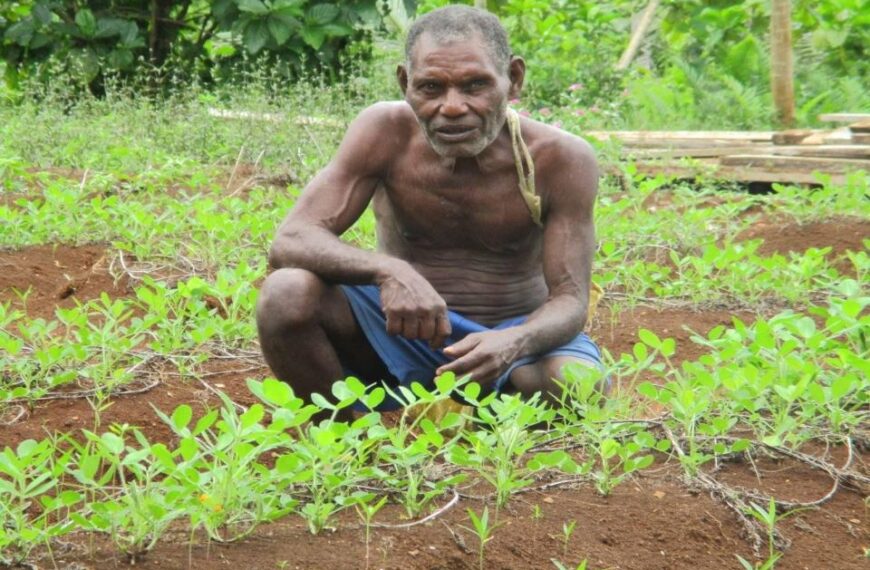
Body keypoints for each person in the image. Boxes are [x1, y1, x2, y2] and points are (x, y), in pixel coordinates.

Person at [256, 5, 603, 414]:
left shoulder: (560, 158)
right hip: (397, 332)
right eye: (431, 88)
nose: (452, 107)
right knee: (284, 295)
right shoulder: (384, 132)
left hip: (511, 333)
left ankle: (493, 421)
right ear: (405, 83)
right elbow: (292, 238)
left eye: (475, 86)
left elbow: (570, 300)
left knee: (576, 386)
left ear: (514, 80)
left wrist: (513, 343)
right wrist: (390, 271)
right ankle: (352, 440)